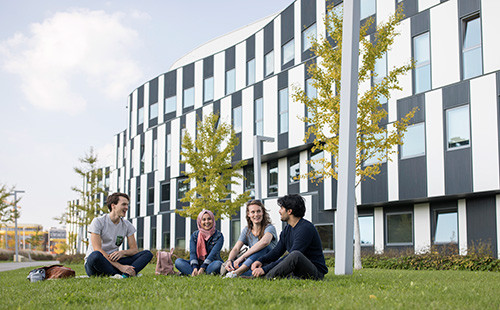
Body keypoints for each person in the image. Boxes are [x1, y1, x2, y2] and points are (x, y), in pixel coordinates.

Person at [251, 194, 328, 280]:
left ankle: (267, 277)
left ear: (289, 211)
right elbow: (276, 252)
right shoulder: (287, 229)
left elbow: (292, 257)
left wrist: (264, 270)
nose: (279, 211)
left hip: (315, 272)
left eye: (282, 208)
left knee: (295, 255)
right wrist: (260, 261)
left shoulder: (305, 228)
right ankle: (269, 275)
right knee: (267, 263)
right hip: (297, 270)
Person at [85, 192, 153, 278]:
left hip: (115, 260)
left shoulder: (127, 225)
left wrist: (122, 252)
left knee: (147, 254)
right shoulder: (98, 222)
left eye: (127, 205)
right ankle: (124, 273)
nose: (126, 208)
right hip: (97, 262)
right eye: (123, 204)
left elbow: (134, 250)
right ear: (113, 206)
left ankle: (123, 274)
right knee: (96, 255)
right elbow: (97, 249)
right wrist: (120, 266)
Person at [222, 200, 278, 278]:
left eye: (258, 211)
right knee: (234, 266)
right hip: (252, 264)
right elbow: (236, 248)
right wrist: (229, 260)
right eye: (253, 212)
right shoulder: (247, 230)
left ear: (263, 213)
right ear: (248, 214)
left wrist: (242, 257)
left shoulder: (269, 228)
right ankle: (239, 272)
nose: (256, 214)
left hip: (268, 264)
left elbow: (264, 242)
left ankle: (236, 273)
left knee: (264, 247)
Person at [174, 209, 224, 276]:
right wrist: (195, 267)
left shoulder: (219, 236)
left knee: (218, 264)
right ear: (200, 221)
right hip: (197, 264)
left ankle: (192, 273)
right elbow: (192, 253)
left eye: (209, 219)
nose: (207, 222)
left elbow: (213, 254)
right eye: (204, 219)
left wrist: (203, 267)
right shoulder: (195, 235)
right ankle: (196, 272)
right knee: (178, 262)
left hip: (211, 264)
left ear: (213, 220)